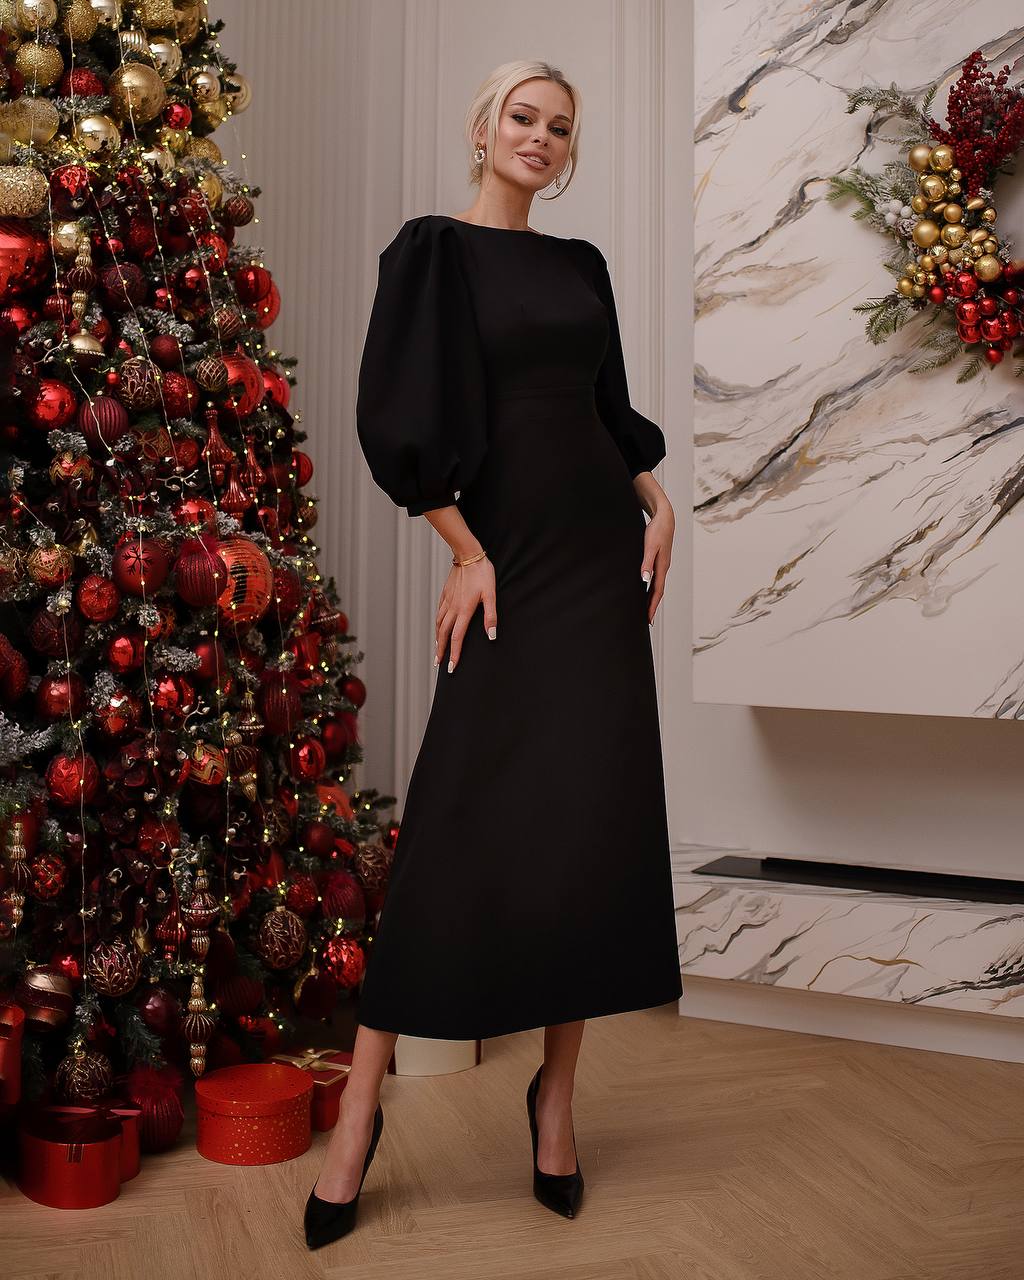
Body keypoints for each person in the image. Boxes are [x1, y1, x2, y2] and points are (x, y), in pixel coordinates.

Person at [304, 58, 682, 1251]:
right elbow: (396, 422)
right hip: (509, 561)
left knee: (590, 819)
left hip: (598, 560)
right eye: (523, 116)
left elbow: (602, 406)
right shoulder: (433, 253)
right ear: (483, 127)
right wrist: (463, 549)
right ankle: (359, 1111)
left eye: (559, 126)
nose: (540, 136)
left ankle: (554, 1097)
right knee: (458, 818)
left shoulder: (582, 267)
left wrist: (654, 492)